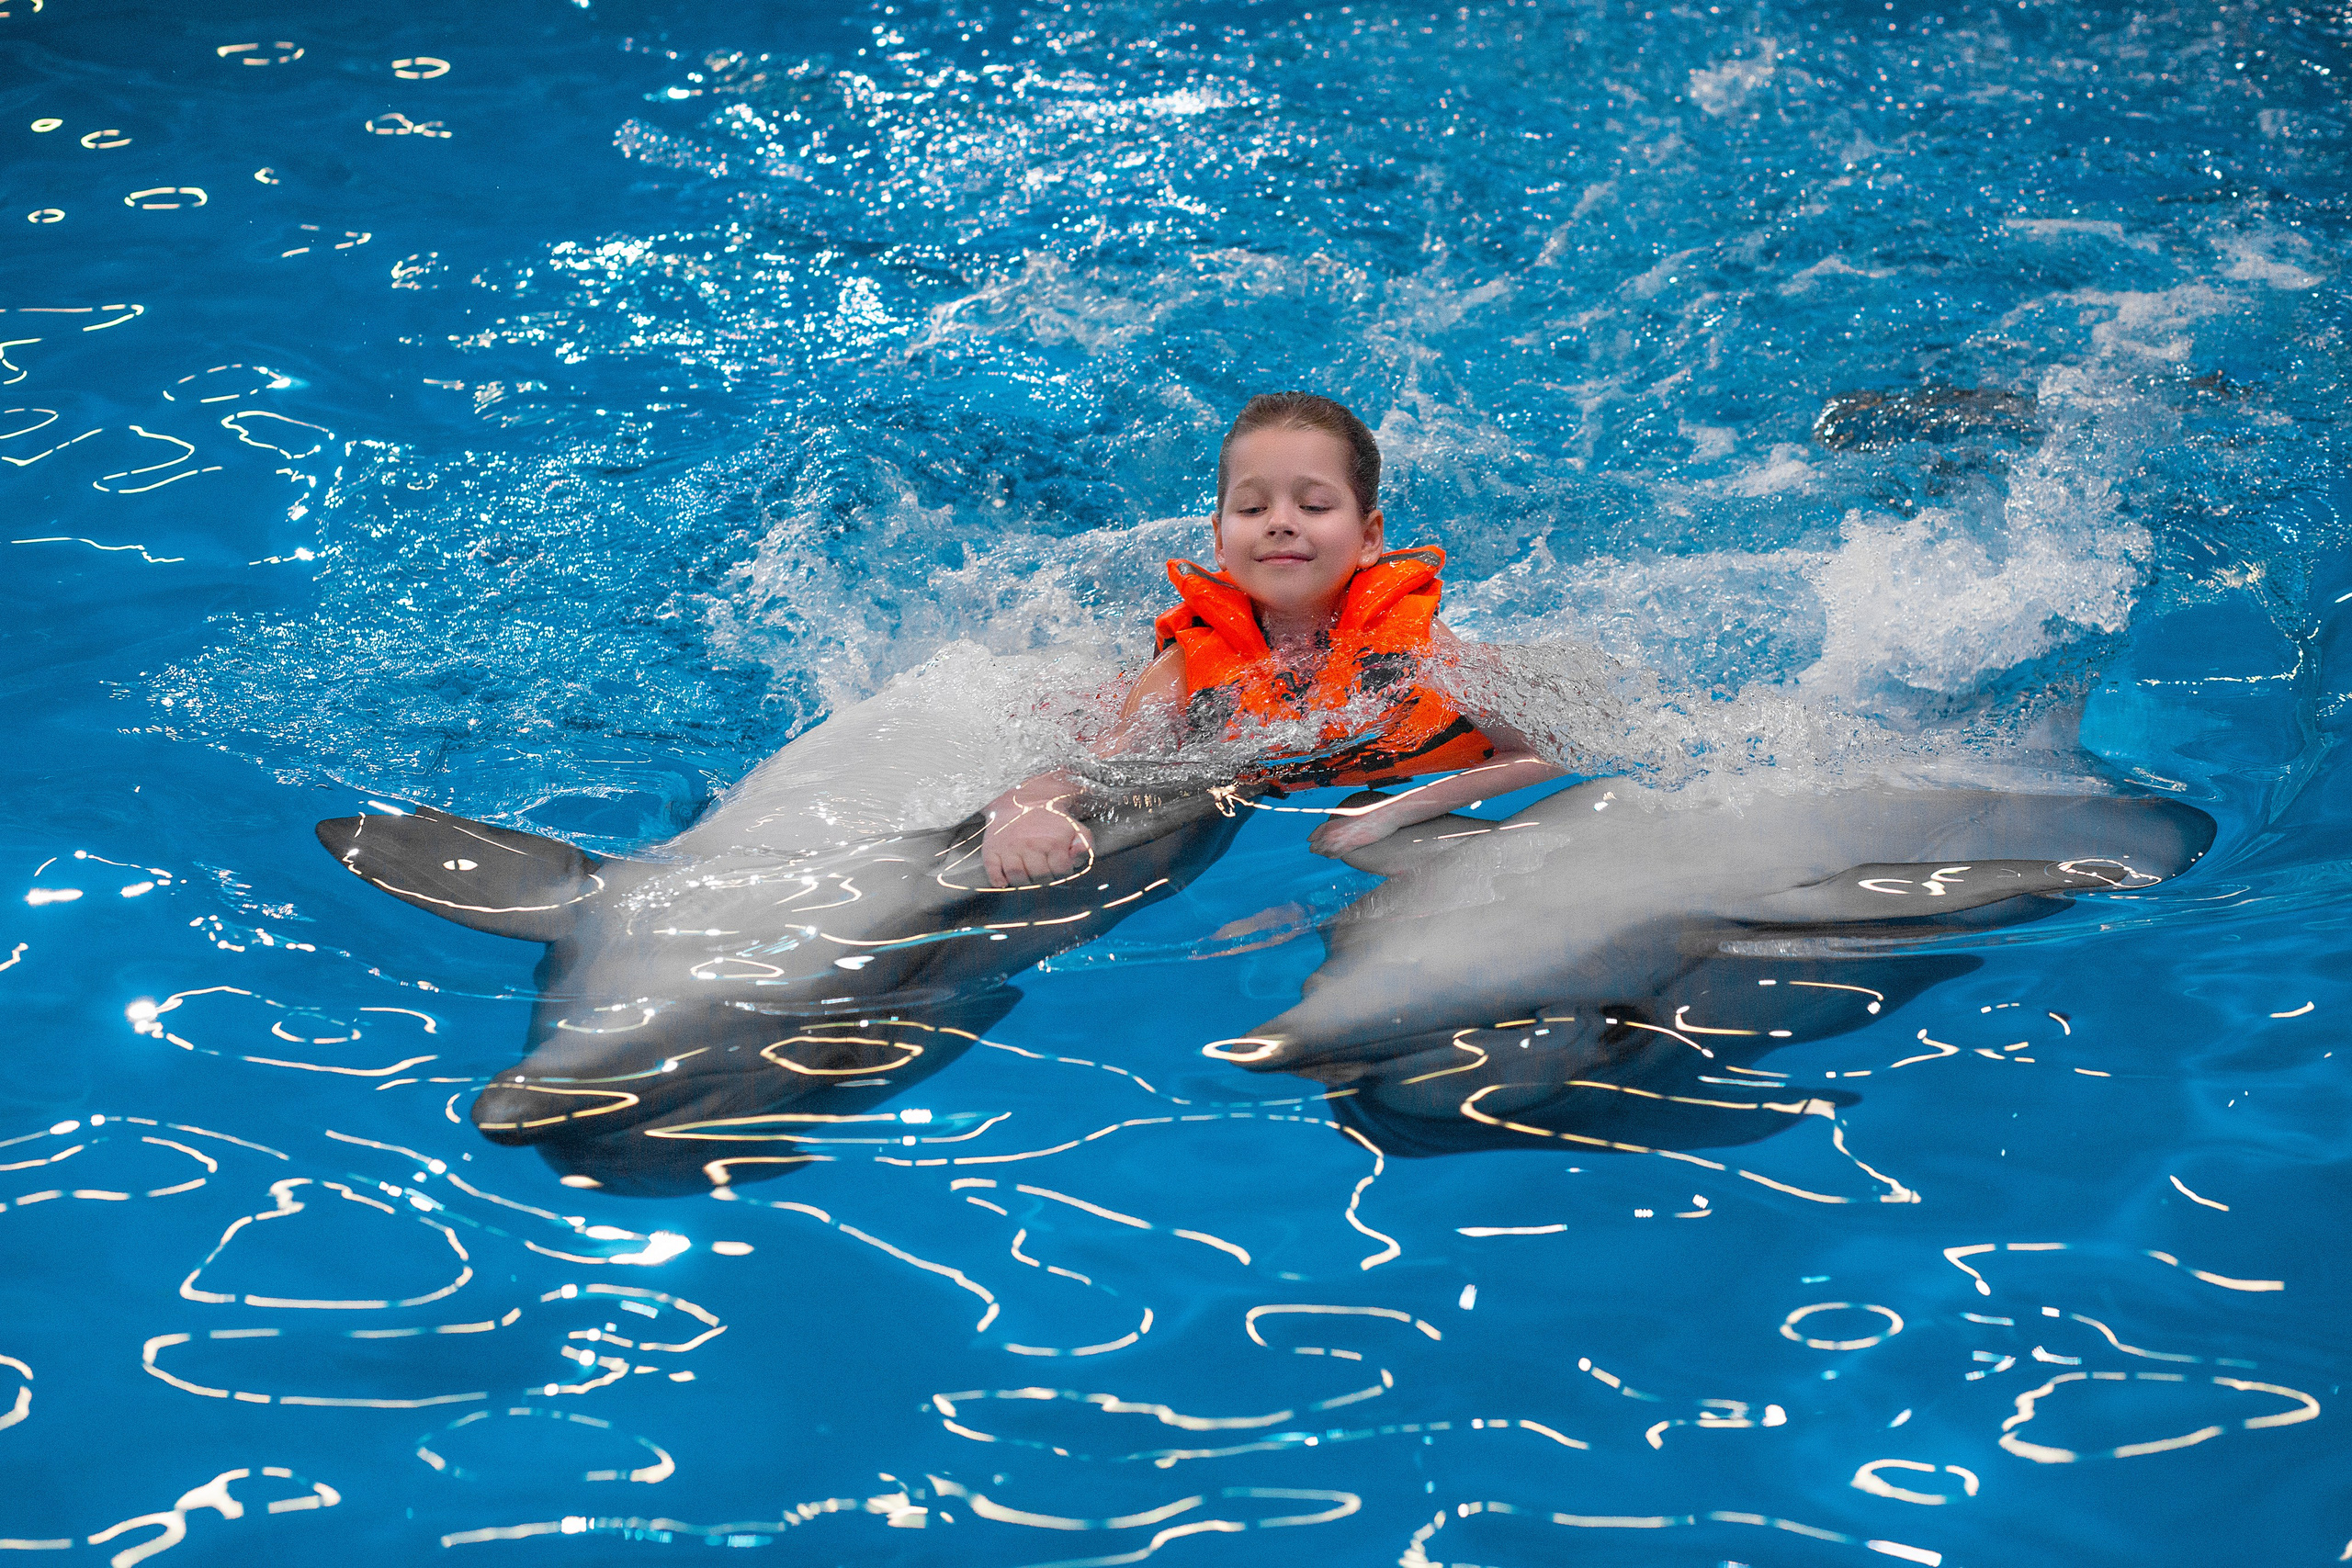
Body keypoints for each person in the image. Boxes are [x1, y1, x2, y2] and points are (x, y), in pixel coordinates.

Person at [979, 392, 1566, 888]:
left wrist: (1400, 809)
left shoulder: (1420, 648)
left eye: (1313, 504)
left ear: (1369, 537)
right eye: (1253, 506)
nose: (1280, 521)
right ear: (1218, 540)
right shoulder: (1186, 671)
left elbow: (1549, 748)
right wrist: (1026, 811)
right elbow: (1096, 770)